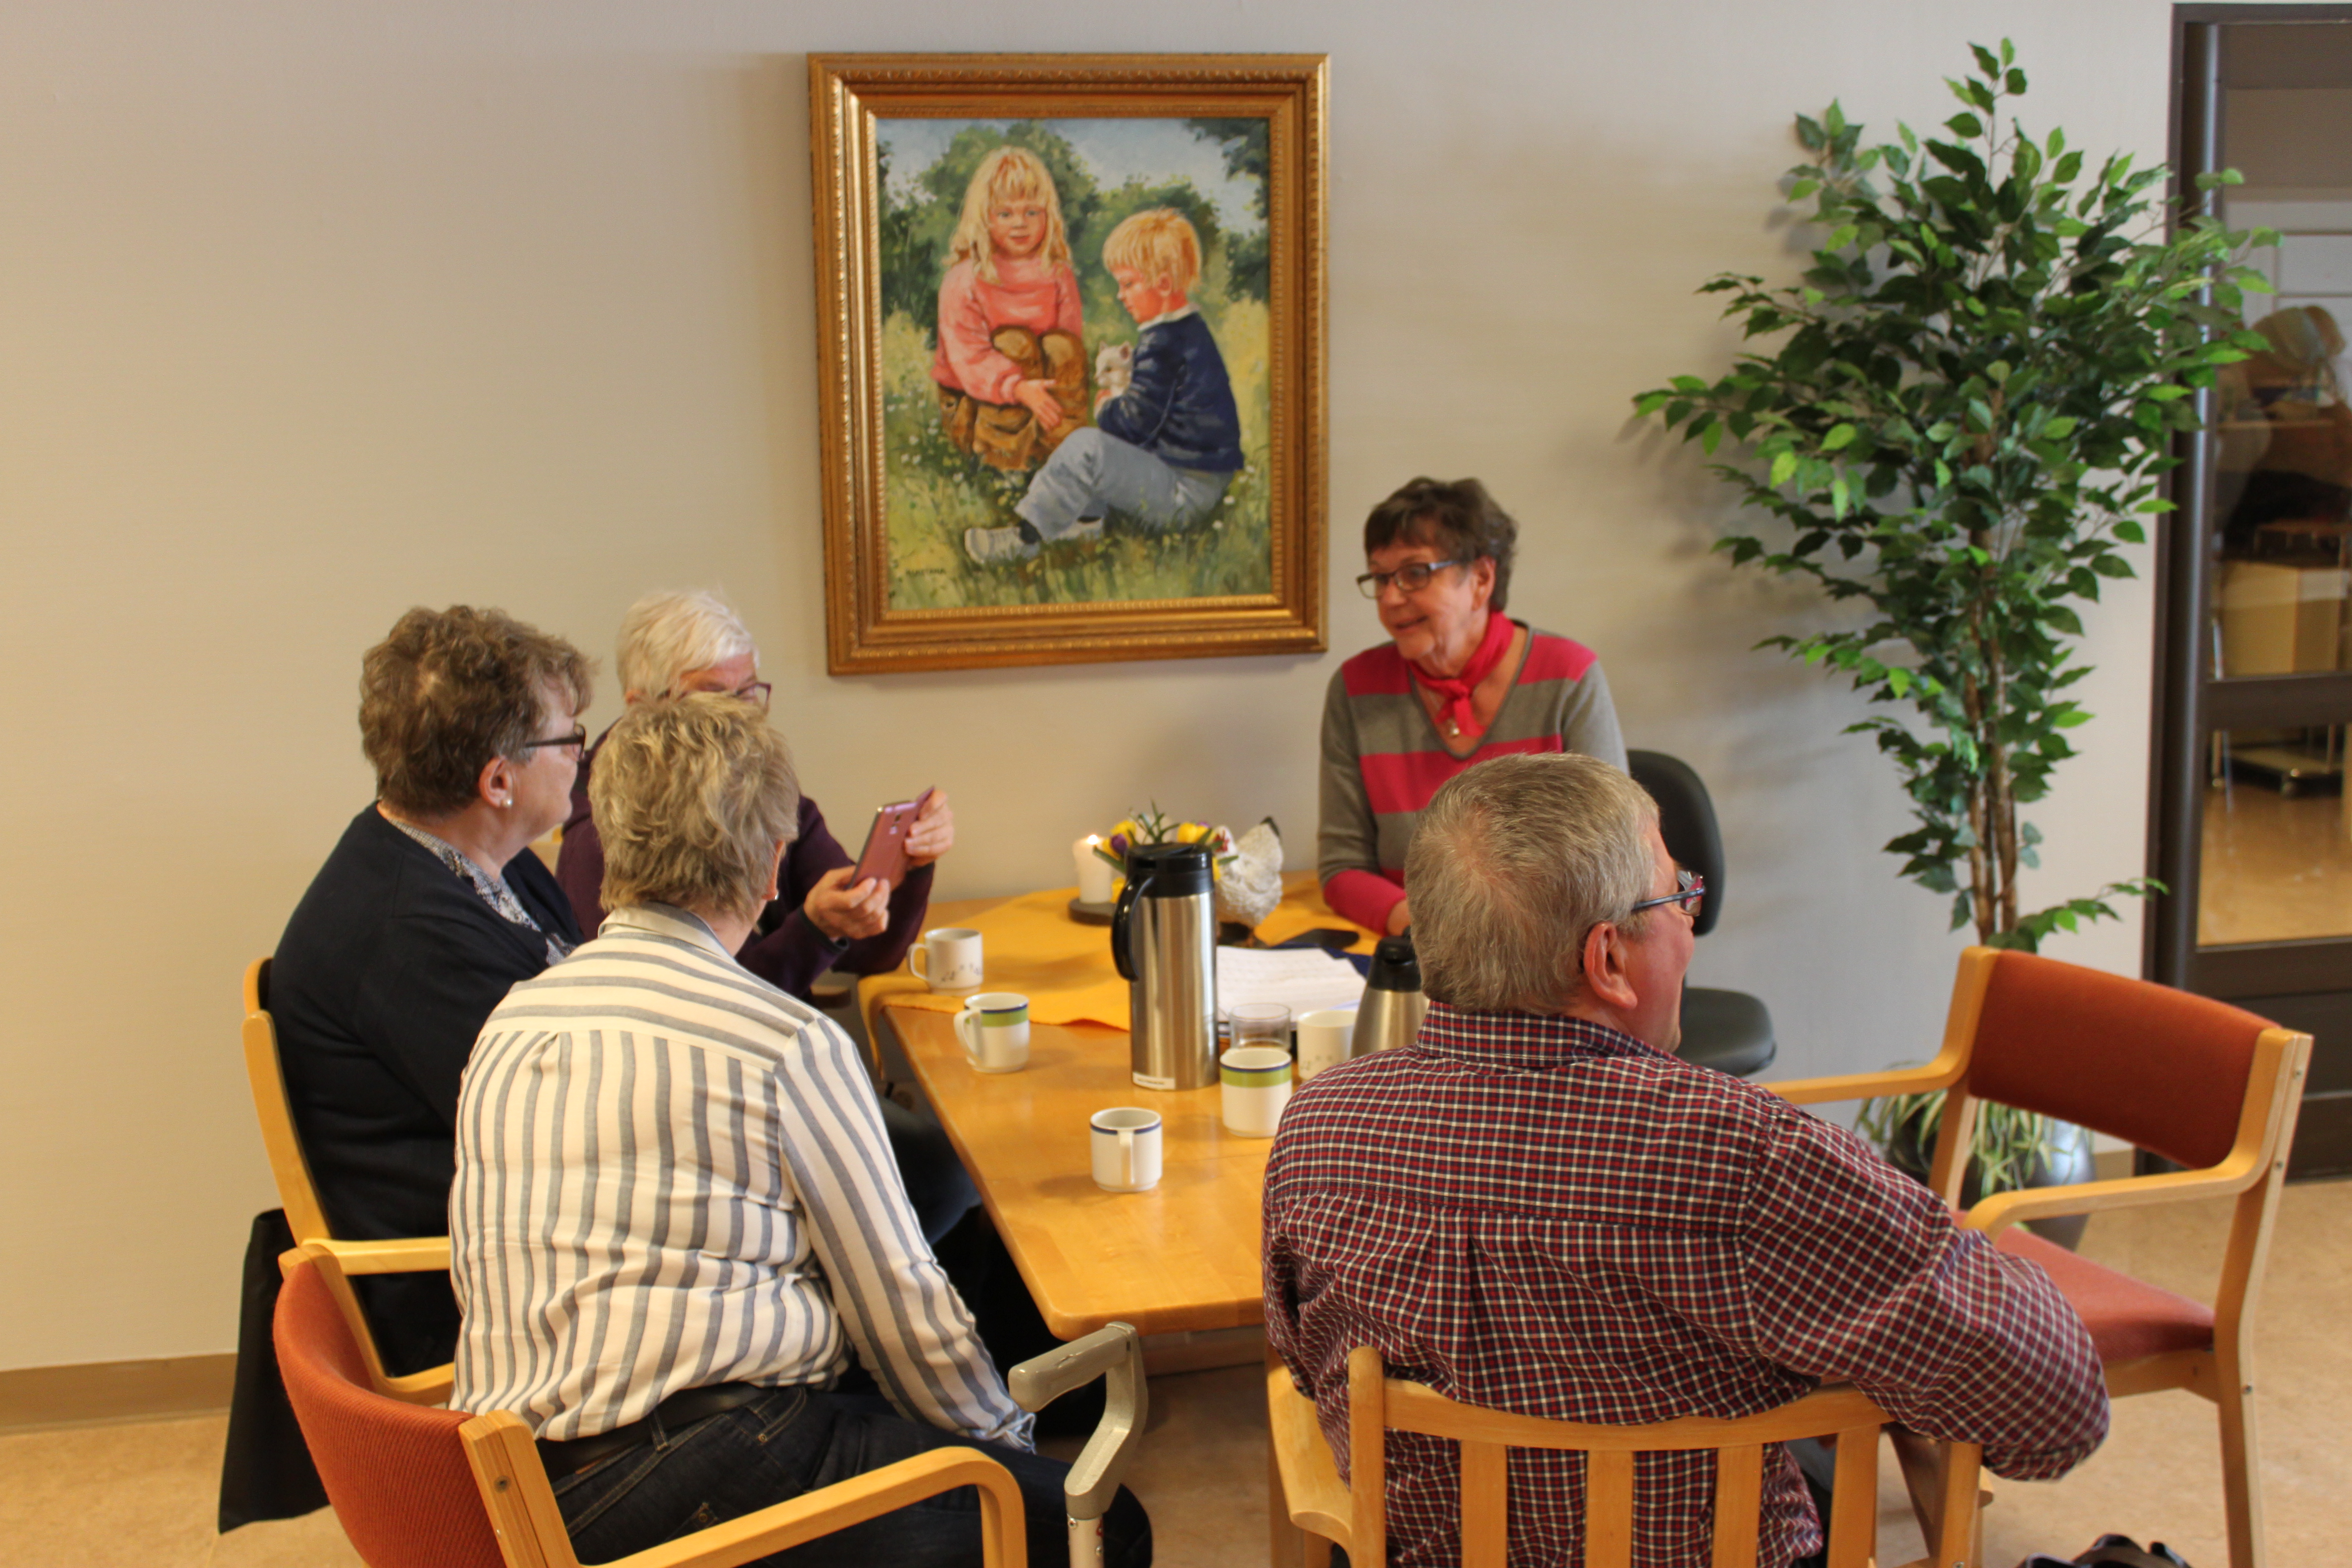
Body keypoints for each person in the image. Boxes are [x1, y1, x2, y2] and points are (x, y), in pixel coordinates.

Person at [1264, 753, 2110, 1568]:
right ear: (1607, 959)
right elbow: (2057, 1404)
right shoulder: (1751, 1156)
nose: (1692, 928)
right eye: (1679, 897)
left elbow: (1306, 1368)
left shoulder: (1315, 1129)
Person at [451, 694, 1153, 1568]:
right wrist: (1004, 1449)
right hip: (693, 1472)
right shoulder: (782, 1040)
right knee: (1102, 1519)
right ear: (772, 865)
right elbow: (901, 1309)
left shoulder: (515, 1017)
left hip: (514, 1481)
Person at [270, 604, 592, 1373]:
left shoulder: (488, 857)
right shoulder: (401, 930)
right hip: (472, 1285)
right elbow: (561, 1125)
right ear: (498, 780)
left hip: (530, 1227)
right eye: (570, 739)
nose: (581, 757)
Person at [1317, 477, 1626, 936]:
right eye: (1380, 577)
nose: (1390, 598)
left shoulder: (1569, 677)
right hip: (1418, 948)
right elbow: (1342, 868)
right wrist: (1435, 937)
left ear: (1481, 579)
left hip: (1552, 950)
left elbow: (1618, 856)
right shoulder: (1355, 689)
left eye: (1415, 573)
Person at [964, 207, 1244, 564]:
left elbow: (1135, 424)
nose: (1120, 295)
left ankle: (1025, 539)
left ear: (1162, 285)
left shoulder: (1163, 344)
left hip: (1183, 492)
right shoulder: (1188, 332)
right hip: (1199, 482)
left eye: (1128, 284)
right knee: (1101, 449)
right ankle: (1086, 525)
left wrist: (1108, 407)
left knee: (1087, 447)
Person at [931, 145, 1088, 473]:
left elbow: (1070, 351)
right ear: (984, 219)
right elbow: (969, 358)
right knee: (1014, 343)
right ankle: (1001, 466)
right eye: (1005, 214)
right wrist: (1017, 388)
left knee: (1062, 346)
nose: (1020, 223)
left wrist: (1041, 392)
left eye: (1032, 212)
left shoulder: (1057, 273)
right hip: (974, 400)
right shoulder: (965, 278)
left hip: (1039, 393)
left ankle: (1061, 455)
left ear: (1048, 216)